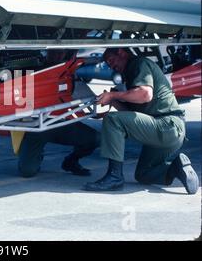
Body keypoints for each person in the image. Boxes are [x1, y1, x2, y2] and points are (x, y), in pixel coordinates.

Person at [84, 48, 199, 194]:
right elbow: (131, 115)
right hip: (166, 130)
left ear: (122, 53)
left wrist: (114, 95)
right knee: (144, 174)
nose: (111, 66)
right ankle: (176, 167)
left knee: (112, 120)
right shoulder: (130, 73)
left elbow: (144, 94)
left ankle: (114, 177)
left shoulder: (139, 64)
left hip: (167, 125)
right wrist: (113, 99)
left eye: (111, 60)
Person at [18, 122, 100, 178]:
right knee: (28, 171)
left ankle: (71, 161)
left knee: (97, 138)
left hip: (60, 121)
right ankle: (37, 153)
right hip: (35, 126)